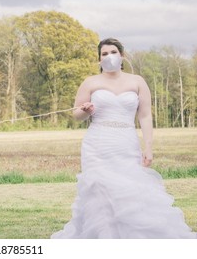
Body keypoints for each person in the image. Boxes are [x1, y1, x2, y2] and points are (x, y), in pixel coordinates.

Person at [51, 38, 196, 238]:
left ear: (122, 56)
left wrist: (148, 147)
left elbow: (145, 116)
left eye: (113, 52)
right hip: (97, 145)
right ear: (99, 59)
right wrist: (86, 111)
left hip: (126, 143)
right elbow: (76, 115)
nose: (109, 56)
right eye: (104, 54)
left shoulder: (137, 82)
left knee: (130, 189)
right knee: (99, 191)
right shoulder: (91, 82)